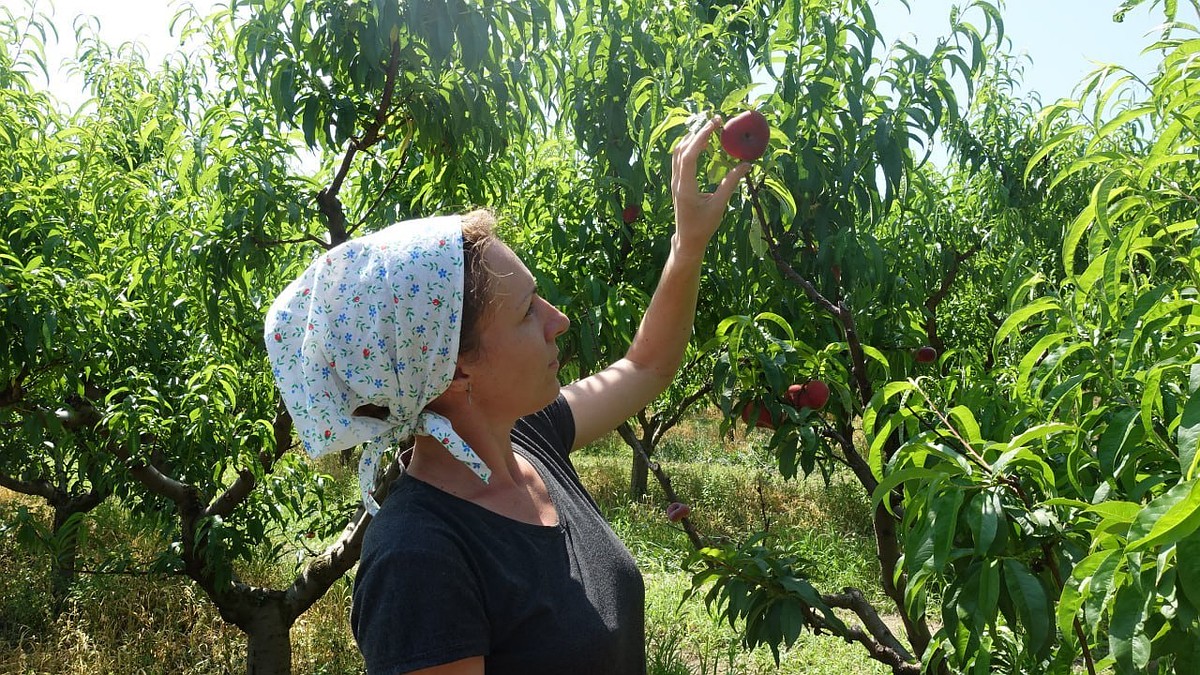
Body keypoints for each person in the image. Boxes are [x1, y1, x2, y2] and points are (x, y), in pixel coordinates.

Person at [264, 118, 750, 674]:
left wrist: (688, 244)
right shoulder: (419, 558)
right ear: (455, 370)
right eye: (526, 313)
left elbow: (645, 365)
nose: (559, 321)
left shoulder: (530, 436)